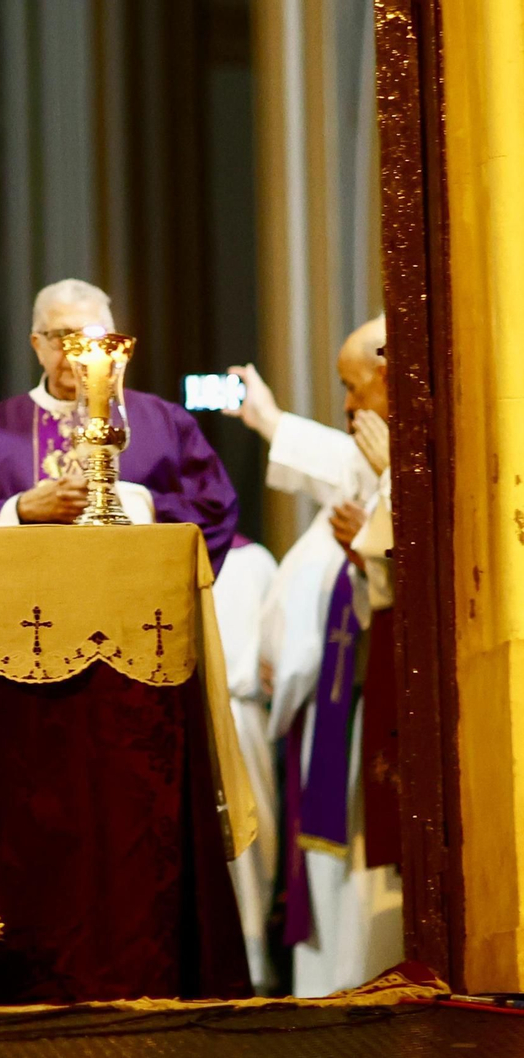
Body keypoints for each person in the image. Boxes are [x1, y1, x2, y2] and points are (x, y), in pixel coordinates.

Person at [227, 315, 401, 996]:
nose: (351, 406)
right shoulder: (379, 454)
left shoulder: (409, 452)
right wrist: (269, 420)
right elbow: (344, 462)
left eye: (353, 388)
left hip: (375, 693)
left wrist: (373, 530)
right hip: (334, 699)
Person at [0, 278, 238, 571]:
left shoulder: (164, 422)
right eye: (62, 337)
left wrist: (139, 504)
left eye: (91, 337)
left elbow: (215, 510)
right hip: (27, 610)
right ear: (37, 345)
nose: (78, 353)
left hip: (135, 604)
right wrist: (18, 511)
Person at [211, 534, 280, 994]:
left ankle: (255, 963)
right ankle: (248, 964)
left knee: (250, 838)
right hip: (237, 713)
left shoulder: (250, 558)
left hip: (240, 712)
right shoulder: (254, 560)